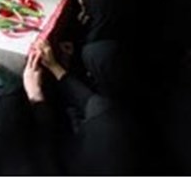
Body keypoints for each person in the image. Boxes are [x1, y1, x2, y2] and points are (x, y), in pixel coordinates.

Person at [23, 39, 139, 175]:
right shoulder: (123, 120)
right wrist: (60, 68)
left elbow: (49, 147)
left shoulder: (112, 127)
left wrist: (35, 94)